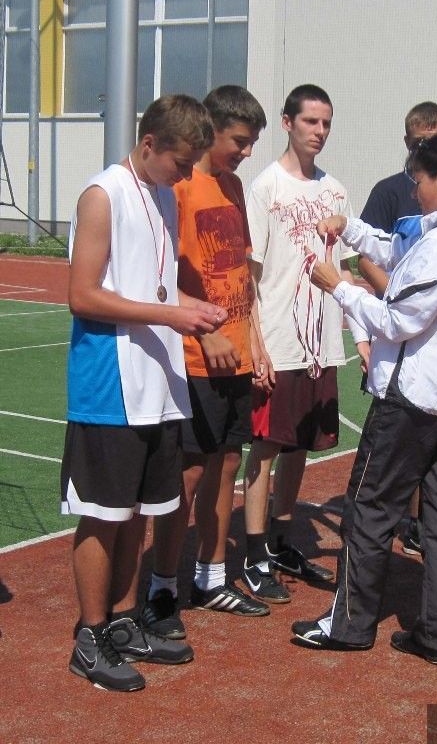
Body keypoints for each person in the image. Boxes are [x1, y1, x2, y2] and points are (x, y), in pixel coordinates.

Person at [291, 130, 437, 664]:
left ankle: (350, 624)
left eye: (419, 180)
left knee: (369, 507)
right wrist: (351, 229)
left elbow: (397, 319)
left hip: (415, 401)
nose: (413, 190)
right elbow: (402, 252)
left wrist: (338, 287)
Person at [62, 95, 228, 692]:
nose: (185, 176)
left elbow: (152, 285)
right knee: (104, 513)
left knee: (140, 511)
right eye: (181, 163)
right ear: (150, 142)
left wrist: (193, 310)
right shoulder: (102, 195)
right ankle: (90, 637)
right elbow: (82, 295)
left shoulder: (161, 194)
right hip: (110, 381)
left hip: (157, 381)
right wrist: (170, 314)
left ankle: (125, 620)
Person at [143, 86, 272, 636]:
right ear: (209, 131)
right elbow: (159, 273)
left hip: (236, 354)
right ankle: (162, 588)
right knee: (189, 473)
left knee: (227, 465)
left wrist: (255, 341)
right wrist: (206, 331)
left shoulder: (234, 186)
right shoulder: (178, 185)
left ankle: (212, 577)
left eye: (252, 143)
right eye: (238, 141)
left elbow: (240, 272)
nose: (246, 152)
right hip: (196, 356)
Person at [242, 84, 356, 603]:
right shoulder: (266, 187)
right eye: (311, 121)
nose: (320, 131)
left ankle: (283, 541)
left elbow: (343, 270)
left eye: (326, 123)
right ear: (287, 123)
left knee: (301, 448)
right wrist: (257, 344)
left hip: (321, 344)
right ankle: (253, 554)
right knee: (265, 448)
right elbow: (251, 274)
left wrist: (362, 336)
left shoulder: (336, 190)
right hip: (279, 342)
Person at [356, 102, 437, 558]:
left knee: (430, 443)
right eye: (420, 143)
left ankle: (416, 520)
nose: (427, 149)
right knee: (390, 440)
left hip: (434, 346)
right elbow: (368, 256)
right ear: (407, 142)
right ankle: (389, 520)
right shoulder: (390, 192)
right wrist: (395, 296)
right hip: (396, 337)